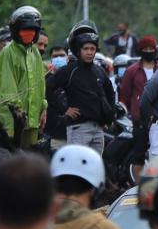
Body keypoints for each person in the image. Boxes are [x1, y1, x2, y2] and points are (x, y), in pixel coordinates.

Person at [50, 23, 117, 151]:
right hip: (78, 129)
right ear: (78, 50)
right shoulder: (68, 71)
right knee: (76, 167)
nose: (89, 52)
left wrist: (109, 115)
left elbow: (111, 93)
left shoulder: (100, 71)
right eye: (86, 49)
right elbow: (47, 89)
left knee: (95, 168)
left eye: (92, 49)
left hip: (98, 130)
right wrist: (65, 109)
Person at [0, 6, 49, 147]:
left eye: (32, 31)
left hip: (33, 119)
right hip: (14, 121)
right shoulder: (7, 53)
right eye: (25, 31)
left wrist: (43, 108)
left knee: (30, 160)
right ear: (16, 31)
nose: (29, 34)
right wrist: (18, 112)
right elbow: (7, 88)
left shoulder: (35, 53)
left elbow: (40, 85)